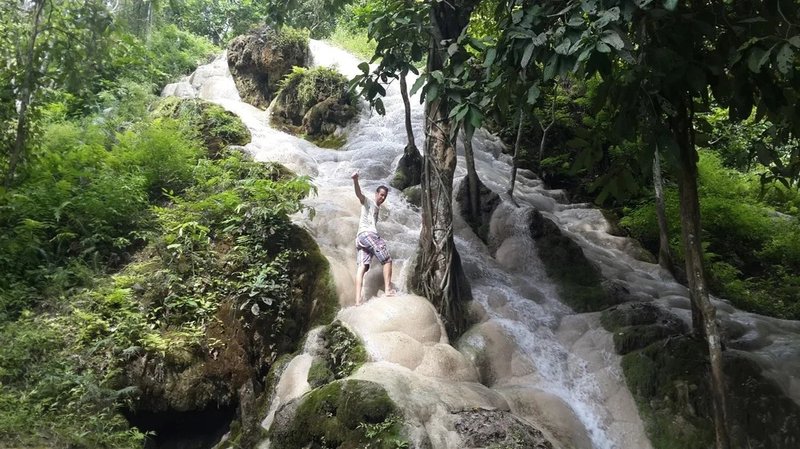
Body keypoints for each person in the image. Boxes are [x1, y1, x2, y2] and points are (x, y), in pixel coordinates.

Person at [351, 171, 394, 305]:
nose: (382, 198)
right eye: (381, 195)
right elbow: (359, 194)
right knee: (387, 260)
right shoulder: (369, 202)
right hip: (368, 234)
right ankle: (387, 289)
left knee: (362, 267)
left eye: (384, 196)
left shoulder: (376, 208)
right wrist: (355, 180)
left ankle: (357, 301)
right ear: (376, 194)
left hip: (360, 238)